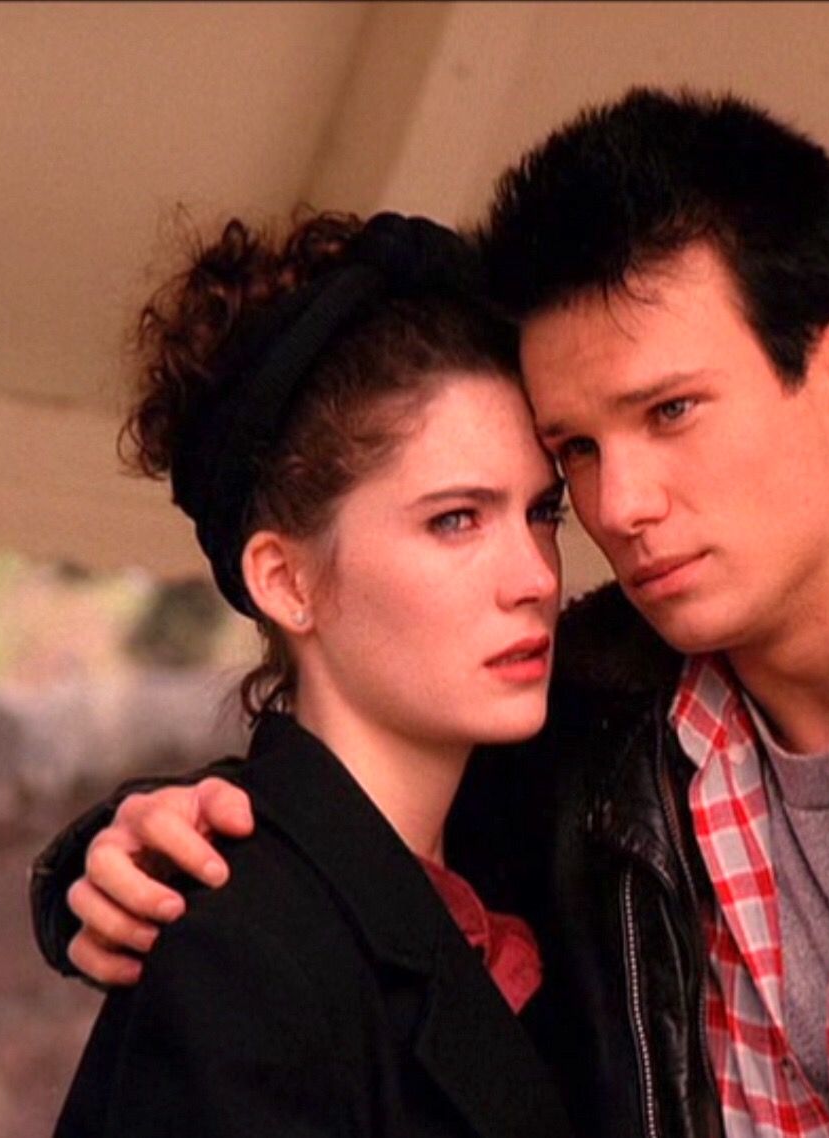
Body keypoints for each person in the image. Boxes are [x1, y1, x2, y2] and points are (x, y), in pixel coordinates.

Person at [33, 89, 829, 1138]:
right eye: (577, 451)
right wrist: (119, 856)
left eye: (670, 412)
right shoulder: (585, 759)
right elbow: (341, 874)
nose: (621, 506)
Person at [50, 209, 573, 1137]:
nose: (533, 577)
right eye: (455, 520)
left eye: (542, 514)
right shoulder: (243, 955)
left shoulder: (530, 866)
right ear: (286, 582)